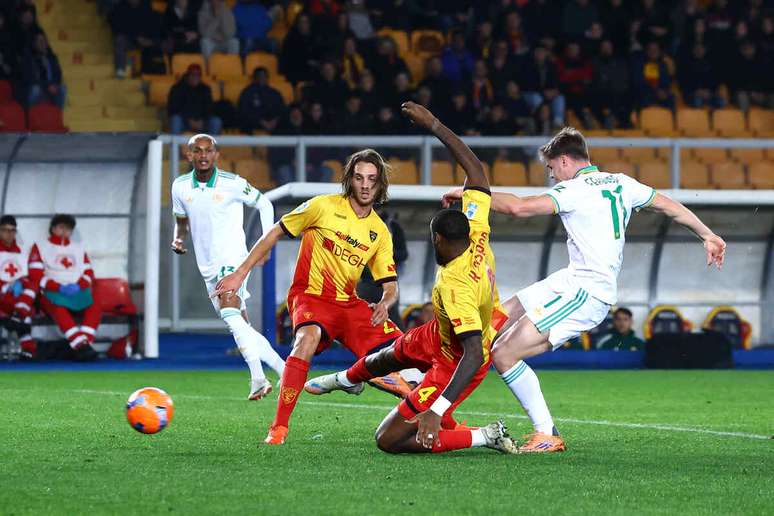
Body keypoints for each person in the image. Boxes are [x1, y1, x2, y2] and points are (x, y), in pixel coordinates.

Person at [442, 126, 726, 452]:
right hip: (570, 279)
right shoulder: (621, 182)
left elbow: (519, 208)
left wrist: (470, 195)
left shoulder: (575, 190)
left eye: (551, 169)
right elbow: (669, 206)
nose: (552, 177)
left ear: (564, 160)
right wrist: (707, 234)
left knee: (504, 353)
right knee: (495, 317)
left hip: (587, 292)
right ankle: (435, 393)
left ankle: (546, 433)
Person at [303, 102, 516, 455]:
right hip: (439, 334)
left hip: (457, 361)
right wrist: (433, 123)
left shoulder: (455, 286)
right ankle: (344, 381)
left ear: (438, 239)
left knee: (389, 440)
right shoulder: (476, 229)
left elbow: (474, 353)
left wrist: (437, 409)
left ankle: (484, 435)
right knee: (386, 357)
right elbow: (476, 170)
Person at [214, 149, 403, 445]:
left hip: (349, 304)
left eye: (372, 179)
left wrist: (385, 302)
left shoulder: (379, 231)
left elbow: (390, 283)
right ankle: (278, 428)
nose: (365, 185)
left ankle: (441, 418)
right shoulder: (322, 206)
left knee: (403, 356)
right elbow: (274, 232)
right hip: (310, 296)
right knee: (307, 338)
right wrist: (240, 274)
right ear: (349, 180)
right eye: (359, 178)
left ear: (380, 185)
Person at [172, 134, 285, 399]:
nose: (203, 155)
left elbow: (264, 202)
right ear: (188, 156)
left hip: (232, 259)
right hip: (207, 266)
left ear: (216, 154)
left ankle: (258, 378)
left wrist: (265, 244)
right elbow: (180, 218)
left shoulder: (232, 183)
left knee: (230, 314)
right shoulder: (179, 187)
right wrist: (178, 239)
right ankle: (284, 368)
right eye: (197, 151)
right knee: (239, 324)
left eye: (208, 150)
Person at [29, 215, 104, 362]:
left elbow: (89, 273)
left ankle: (83, 345)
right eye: (61, 227)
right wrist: (58, 287)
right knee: (59, 308)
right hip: (52, 292)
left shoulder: (78, 248)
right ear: (53, 228)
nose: (64, 231)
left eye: (68, 228)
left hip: (76, 291)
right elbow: (35, 275)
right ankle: (81, 345)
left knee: (95, 306)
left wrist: (79, 285)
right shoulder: (40, 246)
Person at [0, 215, 36, 359]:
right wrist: (5, 286)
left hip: (17, 297)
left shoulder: (22, 252)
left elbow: (28, 275)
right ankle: (29, 346)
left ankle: (15, 320)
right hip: (2, 295)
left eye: (12, 231)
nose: (9, 234)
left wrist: (21, 283)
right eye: (5, 230)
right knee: (21, 308)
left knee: (26, 299)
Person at [167, 64, 222, 135]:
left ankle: (211, 145)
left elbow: (209, 108)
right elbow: (173, 109)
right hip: (184, 121)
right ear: (187, 75)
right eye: (193, 74)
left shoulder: (205, 89)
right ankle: (174, 146)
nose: (196, 77)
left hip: (201, 122)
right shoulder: (177, 88)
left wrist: (202, 120)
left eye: (198, 75)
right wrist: (189, 120)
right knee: (176, 120)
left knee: (216, 121)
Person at [21, 31, 65, 108]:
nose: (43, 43)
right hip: (40, 88)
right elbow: (32, 78)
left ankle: (58, 114)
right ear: (34, 44)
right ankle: (29, 115)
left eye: (44, 41)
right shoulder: (30, 59)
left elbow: (58, 74)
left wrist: (54, 84)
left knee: (62, 89)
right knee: (35, 90)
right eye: (40, 41)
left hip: (51, 88)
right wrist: (47, 86)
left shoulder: (52, 57)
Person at [237, 67, 285, 134]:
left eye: (264, 76)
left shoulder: (275, 93)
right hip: (253, 126)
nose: (262, 78)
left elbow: (282, 109)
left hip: (274, 126)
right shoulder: (247, 93)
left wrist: (275, 121)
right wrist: (261, 122)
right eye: (259, 76)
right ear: (254, 78)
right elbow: (244, 111)